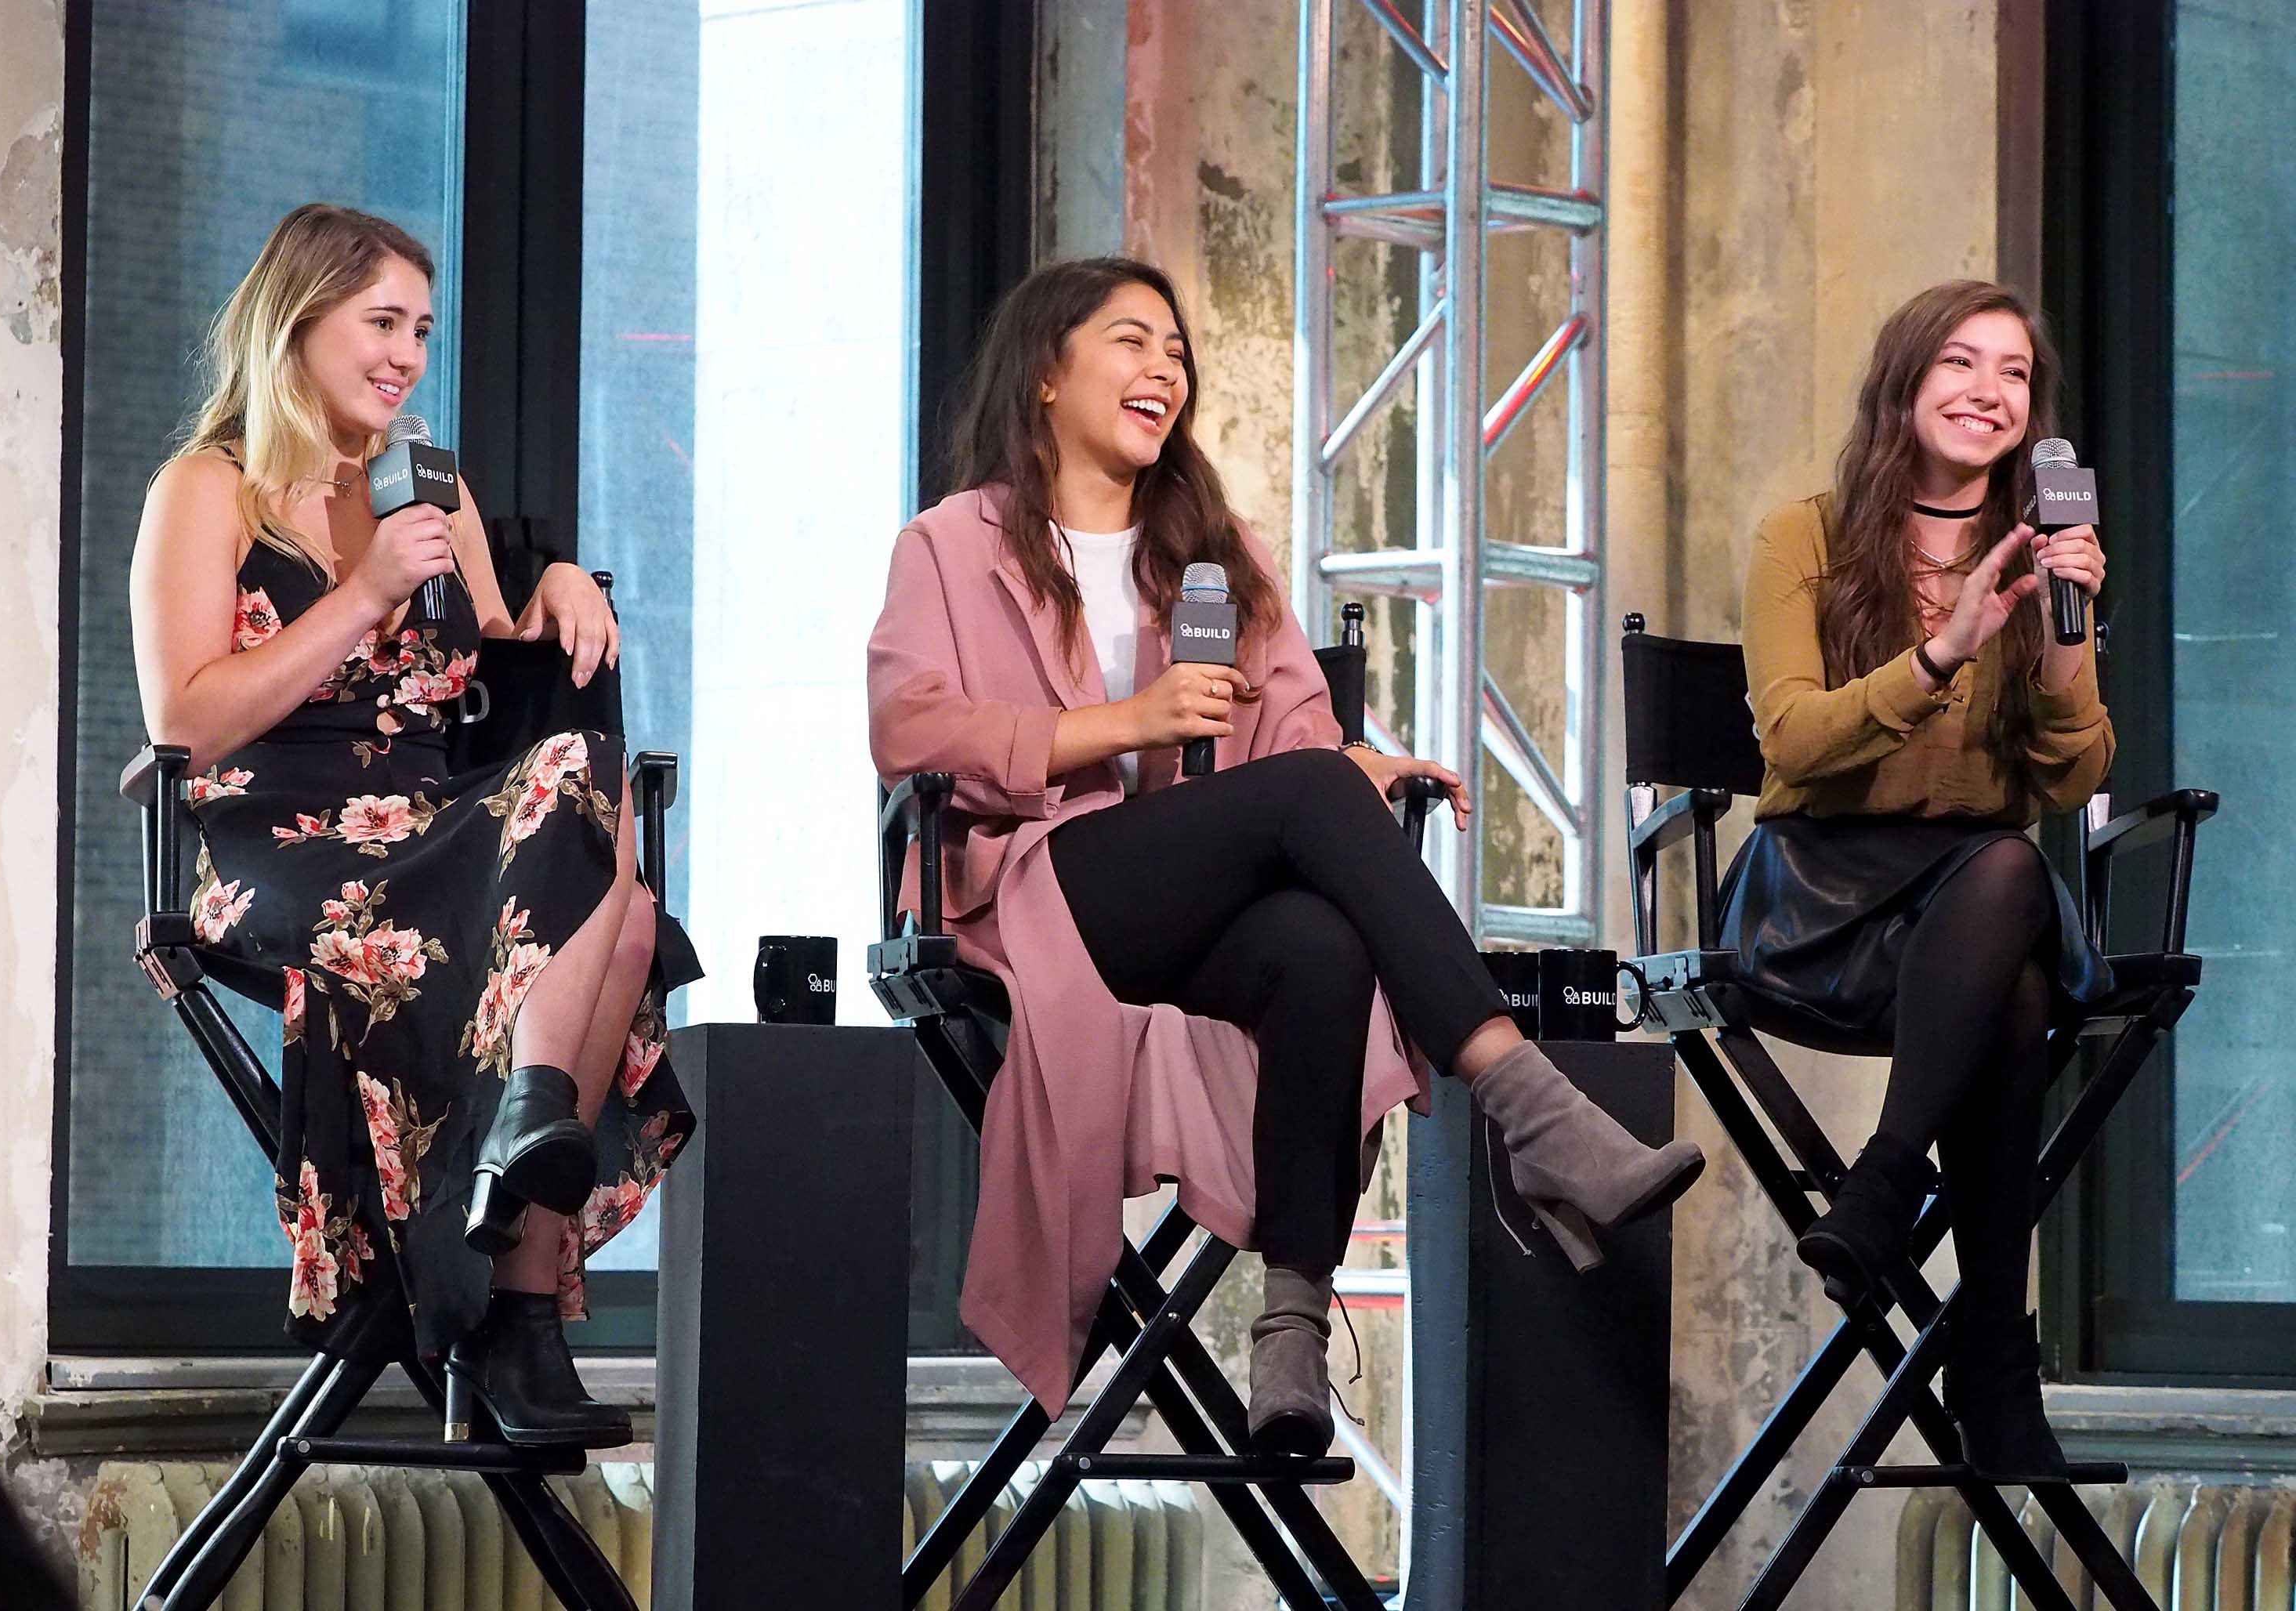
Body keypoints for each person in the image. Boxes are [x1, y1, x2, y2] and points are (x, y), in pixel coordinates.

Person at [867, 256, 1702, 1454]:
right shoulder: (952, 542)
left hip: (1183, 898)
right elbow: (911, 729)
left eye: (1176, 353)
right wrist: (1123, 726)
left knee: (1318, 948)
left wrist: (1353, 775)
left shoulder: (1214, 550)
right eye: (1132, 343)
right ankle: (1531, 1112)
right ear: (1048, 374)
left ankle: (1293, 1335)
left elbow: (1293, 736)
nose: (1166, 369)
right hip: (1036, 887)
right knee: (1309, 810)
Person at [129, 203, 693, 1447]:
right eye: (382, 323)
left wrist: (546, 584)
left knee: (623, 887)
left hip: (432, 824)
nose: (407, 358)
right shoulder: (208, 488)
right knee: (620, 915)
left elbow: (494, 638)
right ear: (299, 321)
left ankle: (525, 1239)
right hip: (280, 840)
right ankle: (521, 1251)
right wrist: (362, 592)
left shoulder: (429, 486)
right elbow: (184, 717)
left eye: (423, 332)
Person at [1718, 279, 2113, 1481]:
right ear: (1905, 381)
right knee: (2014, 962)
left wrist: (2062, 626)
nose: (1988, 393)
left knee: (2005, 894)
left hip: (1973, 900)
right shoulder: (1807, 535)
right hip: (1820, 905)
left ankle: (1888, 1193)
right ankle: (1993, 1355)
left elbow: (2073, 769)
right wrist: (1943, 649)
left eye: (2013, 375)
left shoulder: (2054, 554)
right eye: (1960, 362)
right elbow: (1788, 743)